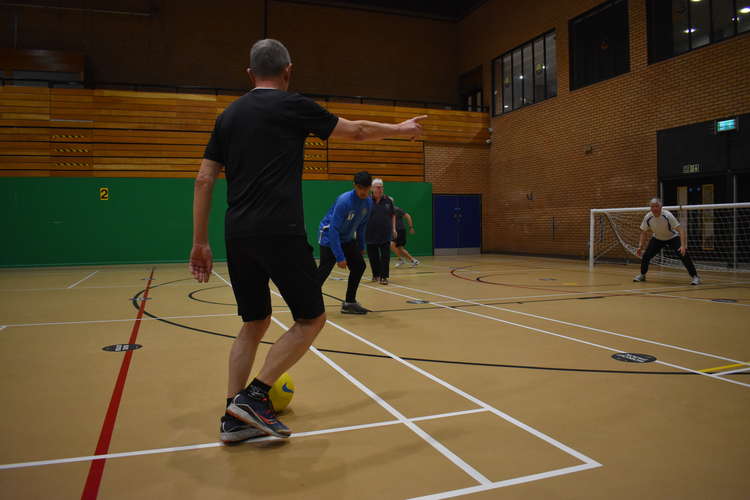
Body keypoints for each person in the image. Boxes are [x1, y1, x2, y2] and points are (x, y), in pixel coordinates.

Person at [188, 38, 427, 443]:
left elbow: (204, 178)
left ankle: (232, 416)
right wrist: (400, 130)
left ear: (249, 74)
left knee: (254, 322)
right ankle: (254, 397)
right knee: (312, 318)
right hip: (279, 230)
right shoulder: (293, 105)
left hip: (237, 233)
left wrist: (200, 242)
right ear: (288, 71)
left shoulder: (227, 116)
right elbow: (357, 131)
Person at [316, 172, 373, 314]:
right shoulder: (344, 201)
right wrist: (340, 257)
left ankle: (349, 302)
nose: (363, 192)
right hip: (329, 237)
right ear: (355, 186)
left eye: (366, 188)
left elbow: (362, 226)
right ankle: (308, 302)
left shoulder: (368, 202)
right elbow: (333, 229)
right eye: (360, 188)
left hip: (347, 238)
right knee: (324, 270)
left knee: (359, 266)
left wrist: (361, 246)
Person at [634, 198, 700, 285]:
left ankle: (695, 277)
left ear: (661, 207)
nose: (654, 209)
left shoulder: (667, 215)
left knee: (683, 254)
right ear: (650, 208)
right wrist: (640, 246)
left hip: (672, 237)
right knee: (646, 255)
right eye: (652, 207)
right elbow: (643, 232)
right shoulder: (648, 217)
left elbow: (681, 230)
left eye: (656, 206)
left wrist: (683, 246)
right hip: (657, 238)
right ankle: (642, 275)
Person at [365, 178, 396, 285]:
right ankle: (376, 275)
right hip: (370, 233)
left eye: (381, 187)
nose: (380, 189)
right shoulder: (367, 200)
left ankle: (384, 277)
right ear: (372, 189)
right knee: (373, 257)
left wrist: (394, 229)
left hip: (385, 233)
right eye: (378, 187)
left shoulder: (388, 200)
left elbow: (392, 215)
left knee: (385, 256)